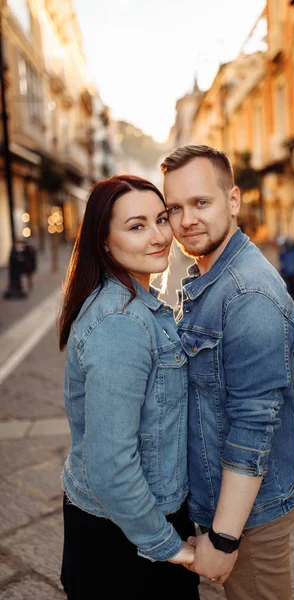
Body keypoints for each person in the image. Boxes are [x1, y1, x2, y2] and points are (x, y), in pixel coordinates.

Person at [161, 145, 294, 600]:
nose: (187, 220)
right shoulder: (210, 276)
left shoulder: (248, 294)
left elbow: (253, 426)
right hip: (224, 503)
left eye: (201, 202)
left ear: (233, 200)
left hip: (252, 516)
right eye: (175, 208)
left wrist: (225, 539)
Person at [58, 175, 199, 600]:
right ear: (104, 241)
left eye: (161, 219)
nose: (159, 237)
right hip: (125, 538)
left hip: (127, 522)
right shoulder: (121, 323)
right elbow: (110, 464)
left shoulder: (136, 304)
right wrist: (168, 546)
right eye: (136, 226)